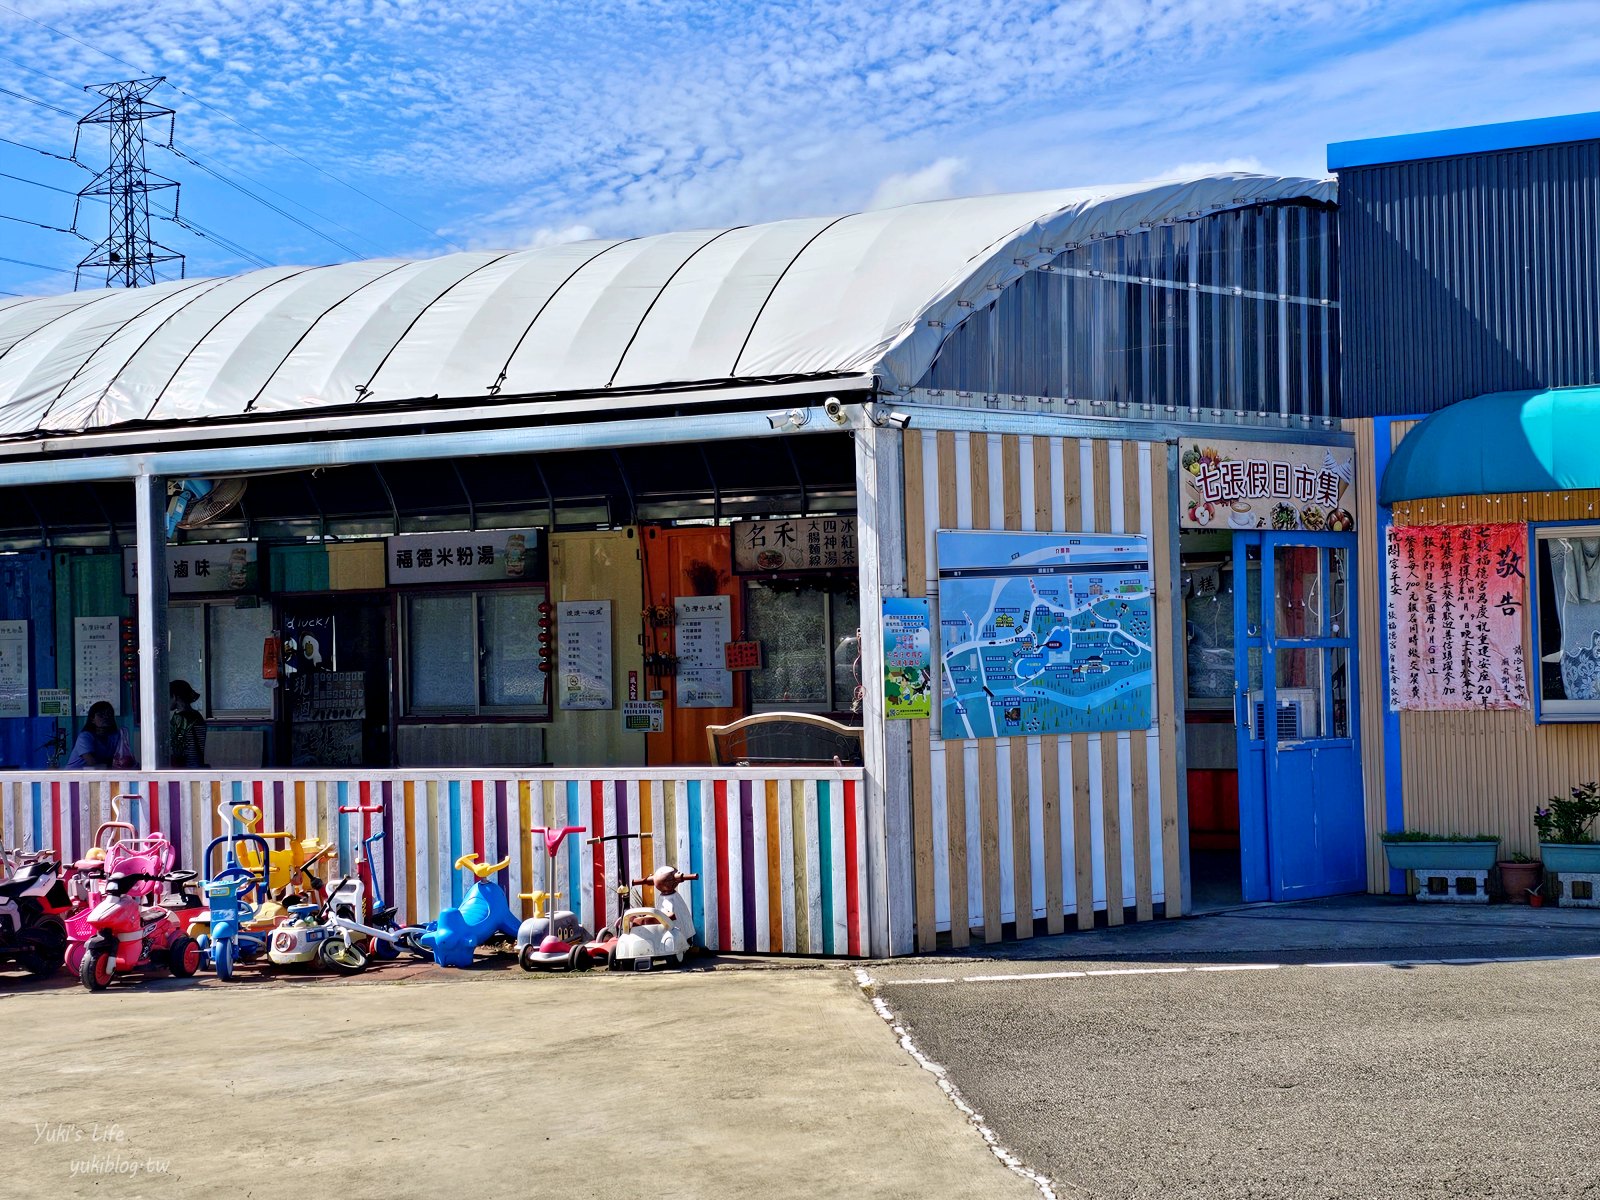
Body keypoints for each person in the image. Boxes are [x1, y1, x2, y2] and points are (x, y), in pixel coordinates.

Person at [66, 701, 136, 769]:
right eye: (101, 715)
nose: (106, 717)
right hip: (75, 778)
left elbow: (120, 758)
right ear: (92, 719)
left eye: (109, 714)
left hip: (98, 776)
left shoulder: (114, 736)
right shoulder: (85, 737)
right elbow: (92, 763)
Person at [168, 679, 208, 768]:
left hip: (184, 766)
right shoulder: (197, 715)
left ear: (175, 696)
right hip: (197, 763)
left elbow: (177, 747)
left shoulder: (179, 718)